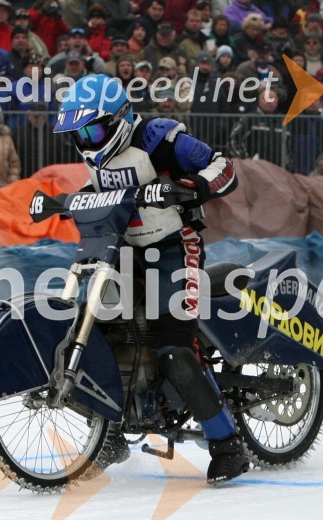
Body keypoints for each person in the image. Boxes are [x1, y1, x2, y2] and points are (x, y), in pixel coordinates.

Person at [52, 74, 248, 484]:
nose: (87, 140)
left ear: (121, 117)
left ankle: (227, 444)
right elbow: (98, 192)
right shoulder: (96, 159)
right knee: (98, 337)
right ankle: (108, 436)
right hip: (121, 249)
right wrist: (59, 203)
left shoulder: (160, 138)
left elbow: (224, 168)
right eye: (78, 132)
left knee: (173, 349)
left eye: (93, 128)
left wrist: (187, 186)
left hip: (175, 244)